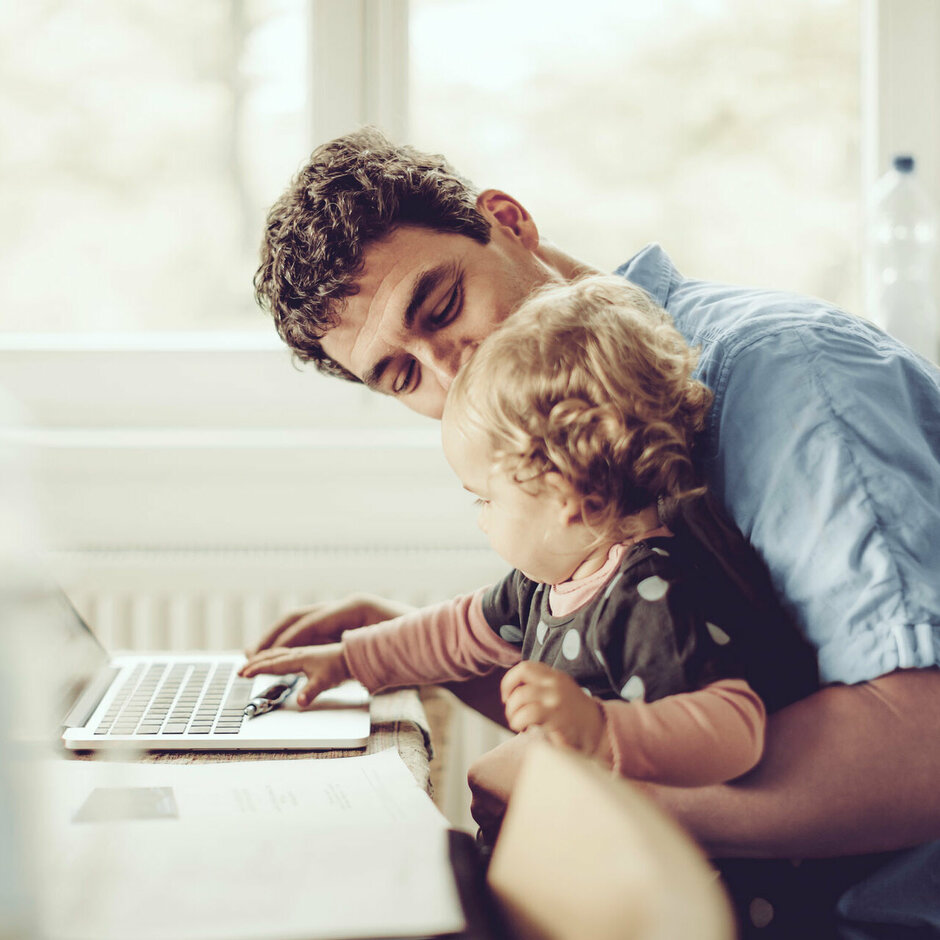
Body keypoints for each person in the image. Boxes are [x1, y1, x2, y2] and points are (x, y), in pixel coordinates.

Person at [251, 127, 940, 937]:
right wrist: (412, 651)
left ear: (509, 221)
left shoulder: (786, 376)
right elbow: (640, 701)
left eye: (442, 307)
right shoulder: (551, 447)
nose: (453, 371)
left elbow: (921, 745)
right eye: (402, 374)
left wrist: (570, 798)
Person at [241, 275, 818, 787]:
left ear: (571, 497)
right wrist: (347, 661)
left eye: (486, 499)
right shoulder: (546, 583)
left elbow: (736, 729)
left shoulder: (652, 597)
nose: (482, 519)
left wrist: (599, 729)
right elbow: (456, 632)